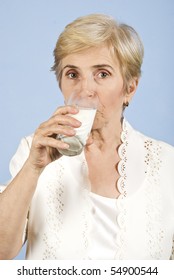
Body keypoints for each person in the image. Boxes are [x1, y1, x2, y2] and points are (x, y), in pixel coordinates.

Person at [0, 13, 174, 260]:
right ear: (60, 83)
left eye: (102, 74)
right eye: (73, 74)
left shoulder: (168, 163)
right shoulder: (33, 151)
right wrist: (33, 167)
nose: (85, 90)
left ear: (130, 88)